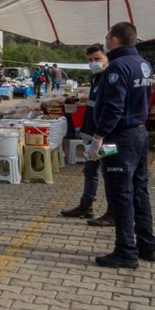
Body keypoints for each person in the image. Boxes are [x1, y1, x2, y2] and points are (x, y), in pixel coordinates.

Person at [89, 22, 155, 269]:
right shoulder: (143, 64)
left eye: (108, 37)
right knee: (139, 190)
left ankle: (126, 250)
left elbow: (113, 108)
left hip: (117, 139)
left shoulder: (117, 67)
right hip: (138, 136)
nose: (106, 41)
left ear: (115, 40)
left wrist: (98, 138)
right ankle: (147, 245)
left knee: (120, 193)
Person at [60, 44, 113, 224]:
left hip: (106, 138)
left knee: (109, 172)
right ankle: (86, 205)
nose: (93, 63)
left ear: (107, 58)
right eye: (90, 60)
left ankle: (112, 212)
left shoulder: (111, 78)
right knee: (90, 170)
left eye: (97, 59)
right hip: (91, 134)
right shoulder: (96, 78)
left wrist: (101, 135)